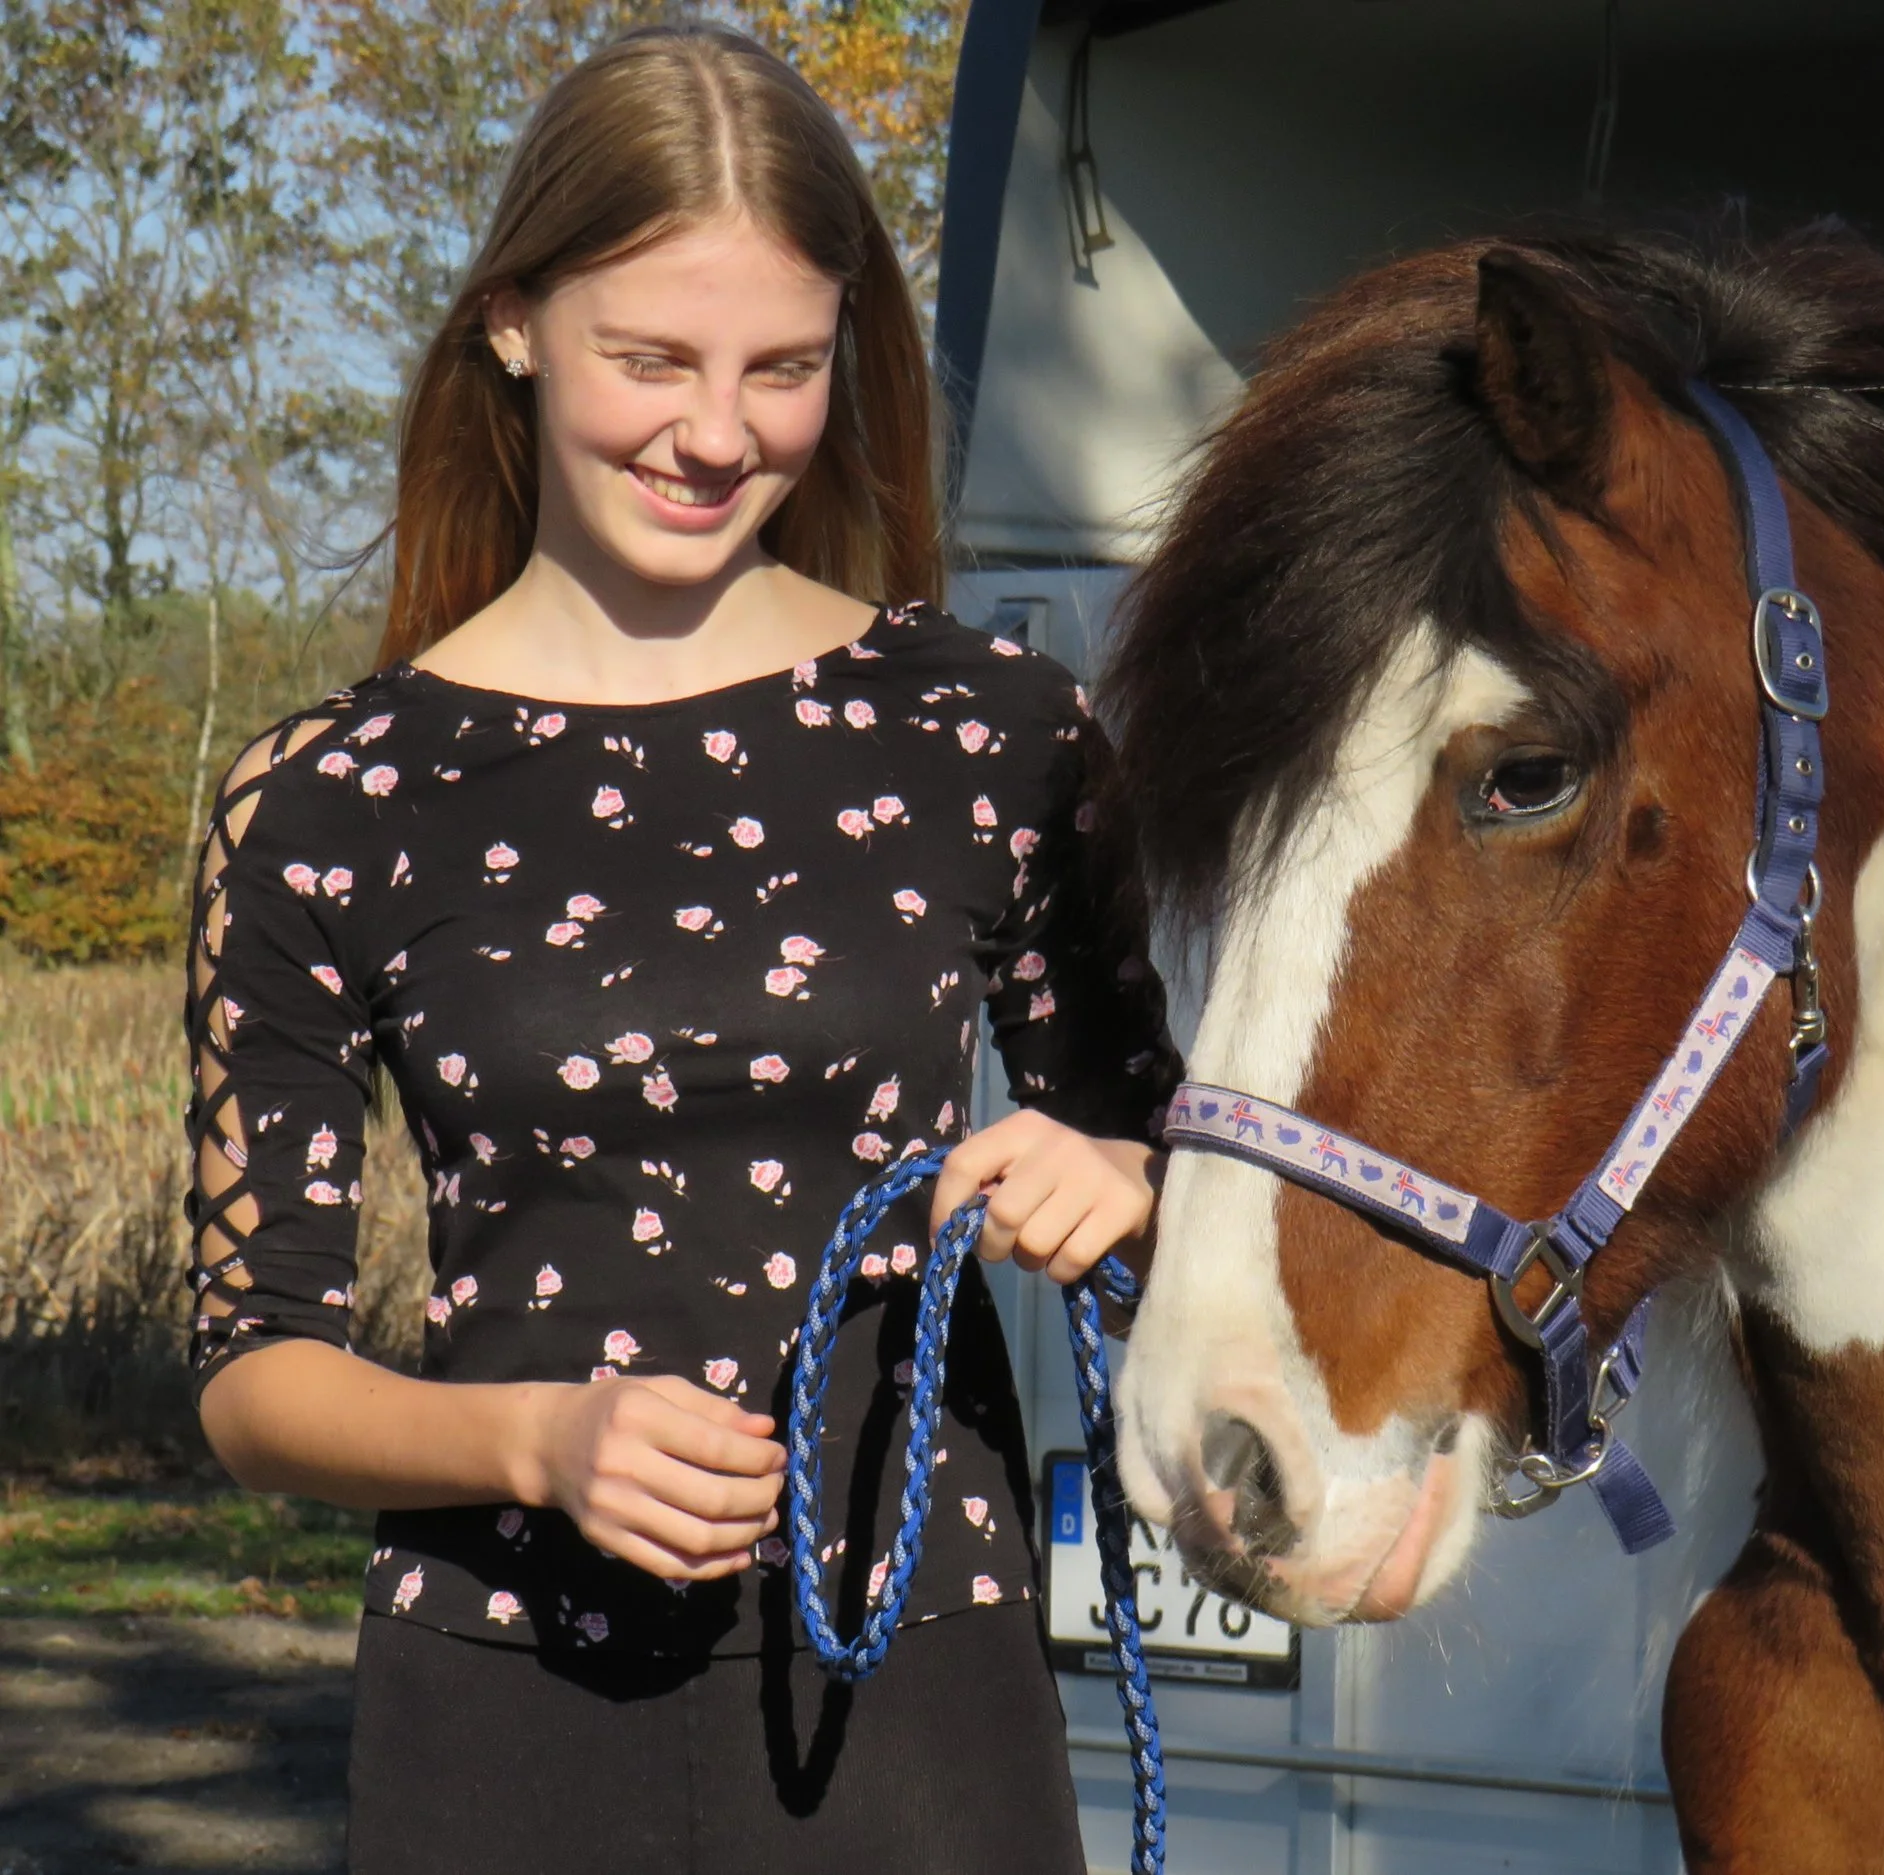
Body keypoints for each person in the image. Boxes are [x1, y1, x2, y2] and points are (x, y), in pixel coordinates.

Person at [181, 24, 1178, 1873]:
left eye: (783, 369)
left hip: (921, 1693)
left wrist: (1126, 1180)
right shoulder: (324, 796)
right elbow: (254, 1376)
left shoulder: (996, 735)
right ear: (510, 324)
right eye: (651, 358)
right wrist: (536, 1445)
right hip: (502, 1716)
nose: (719, 433)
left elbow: (1214, 1199)